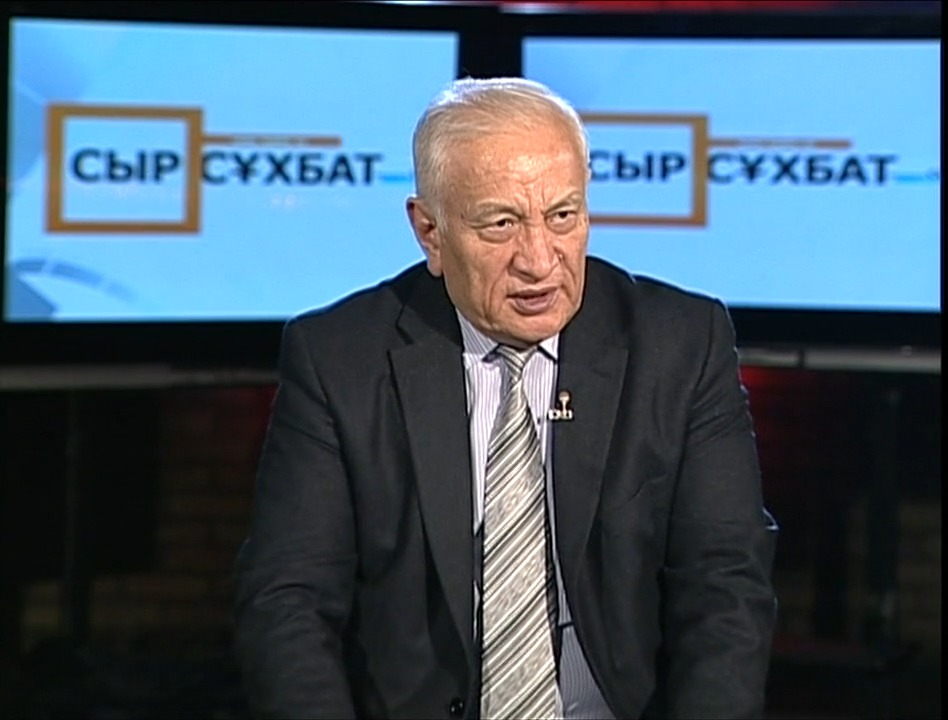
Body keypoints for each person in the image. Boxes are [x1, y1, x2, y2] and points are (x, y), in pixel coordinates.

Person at [234, 77, 778, 720]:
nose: (539, 261)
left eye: (562, 216)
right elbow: (287, 603)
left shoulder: (680, 347)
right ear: (430, 232)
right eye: (501, 224)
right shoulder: (340, 360)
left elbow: (724, 586)